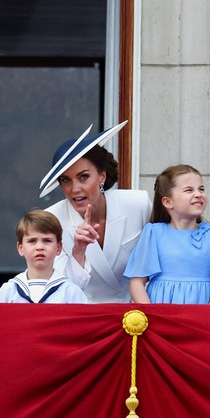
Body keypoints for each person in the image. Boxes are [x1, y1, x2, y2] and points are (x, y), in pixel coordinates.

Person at [40, 122, 151, 303]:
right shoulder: (52, 220)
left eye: (83, 177)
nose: (75, 188)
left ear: (102, 176)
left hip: (137, 314)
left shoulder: (138, 204)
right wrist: (78, 251)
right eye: (66, 180)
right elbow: (60, 290)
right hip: (85, 318)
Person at [124, 164, 210, 304]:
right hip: (161, 314)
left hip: (201, 314)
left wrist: (208, 317)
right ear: (168, 202)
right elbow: (137, 283)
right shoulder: (153, 233)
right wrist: (151, 315)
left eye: (201, 189)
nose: (198, 194)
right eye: (189, 190)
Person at [0, 209, 87, 304]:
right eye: (32, 241)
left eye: (47, 241)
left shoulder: (71, 292)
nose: (39, 247)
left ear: (58, 248)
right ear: (20, 248)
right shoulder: (8, 291)